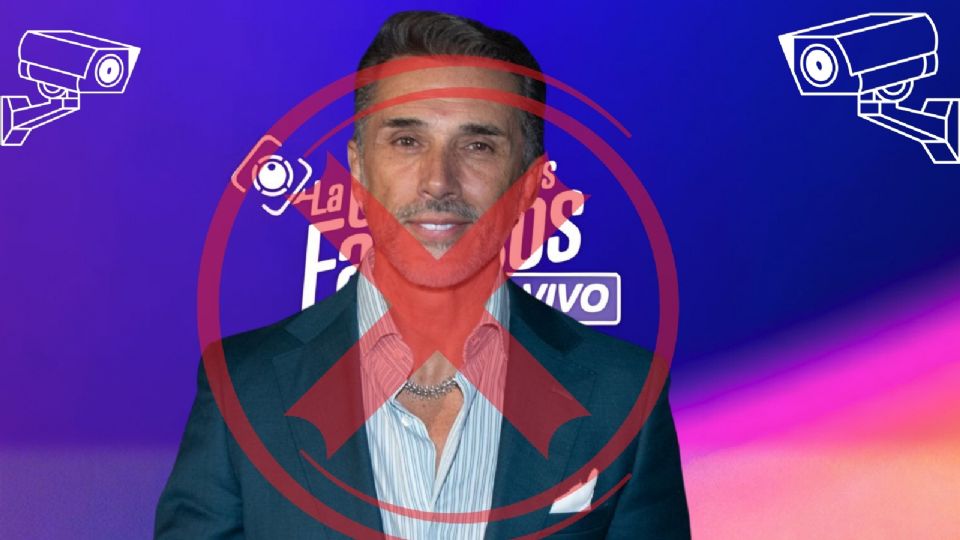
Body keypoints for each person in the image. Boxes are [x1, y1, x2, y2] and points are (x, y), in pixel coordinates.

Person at [156, 10, 690, 539]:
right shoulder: (245, 389)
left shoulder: (622, 395)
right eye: (407, 141)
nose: (438, 181)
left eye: (477, 146)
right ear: (358, 171)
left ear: (529, 187)